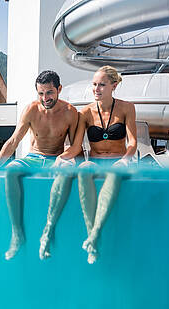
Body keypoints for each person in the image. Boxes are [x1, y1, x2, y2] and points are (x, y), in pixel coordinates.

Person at [40, 65, 137, 263]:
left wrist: (125, 160)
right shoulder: (85, 113)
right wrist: (63, 157)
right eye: (94, 84)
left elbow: (133, 142)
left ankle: (94, 238)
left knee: (114, 174)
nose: (96, 89)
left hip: (117, 161)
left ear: (114, 86)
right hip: (94, 161)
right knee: (83, 169)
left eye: (102, 84)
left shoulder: (127, 108)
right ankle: (92, 236)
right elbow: (76, 147)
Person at [0, 70, 79, 260]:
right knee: (11, 170)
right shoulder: (31, 110)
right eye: (40, 93)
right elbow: (13, 141)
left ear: (59, 89)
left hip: (55, 158)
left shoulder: (70, 112)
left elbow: (73, 147)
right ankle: (17, 234)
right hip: (33, 157)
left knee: (68, 170)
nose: (45, 98)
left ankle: (49, 231)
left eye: (49, 92)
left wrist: (65, 160)